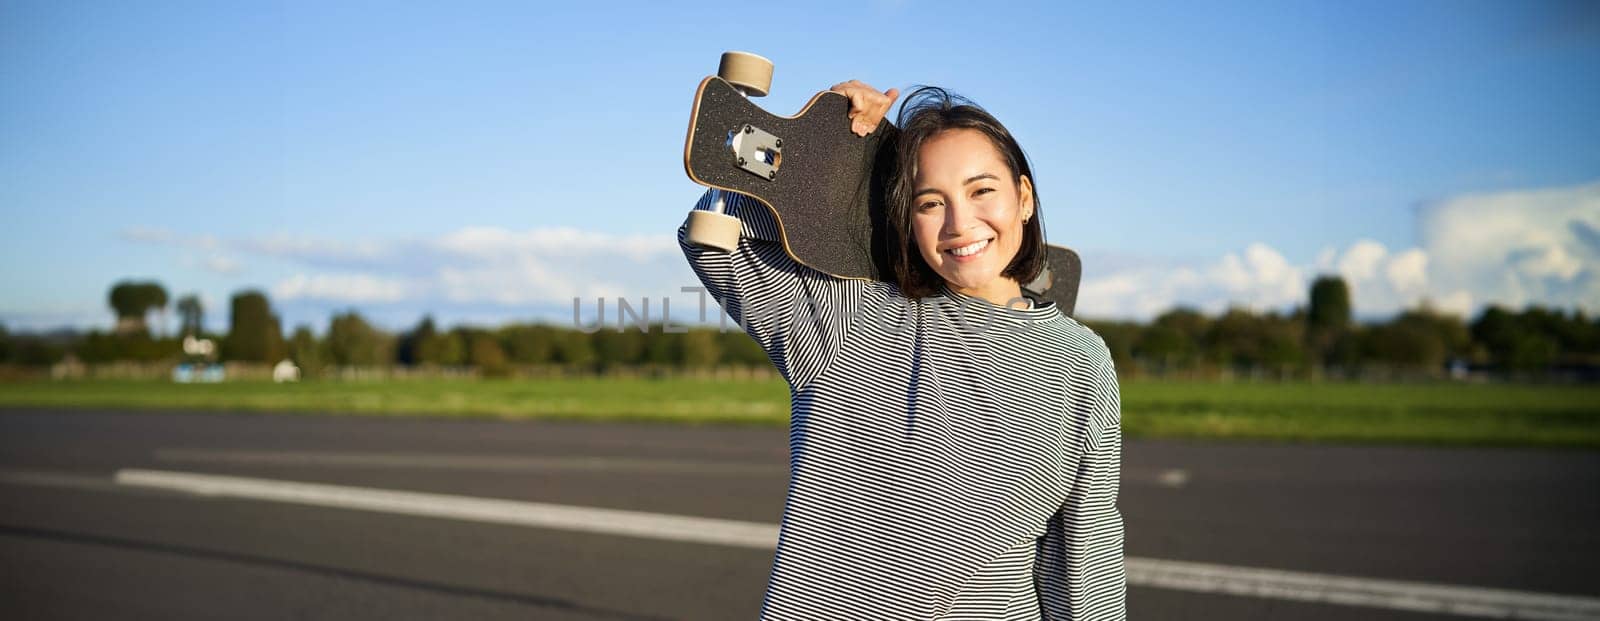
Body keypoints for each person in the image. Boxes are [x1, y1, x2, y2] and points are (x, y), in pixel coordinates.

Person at [678, 79, 1125, 620]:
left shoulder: (1083, 359)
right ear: (906, 219)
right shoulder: (850, 314)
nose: (960, 224)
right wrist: (832, 155)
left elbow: (1083, 560)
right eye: (930, 202)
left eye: (982, 190)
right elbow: (715, 229)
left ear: (1024, 199)